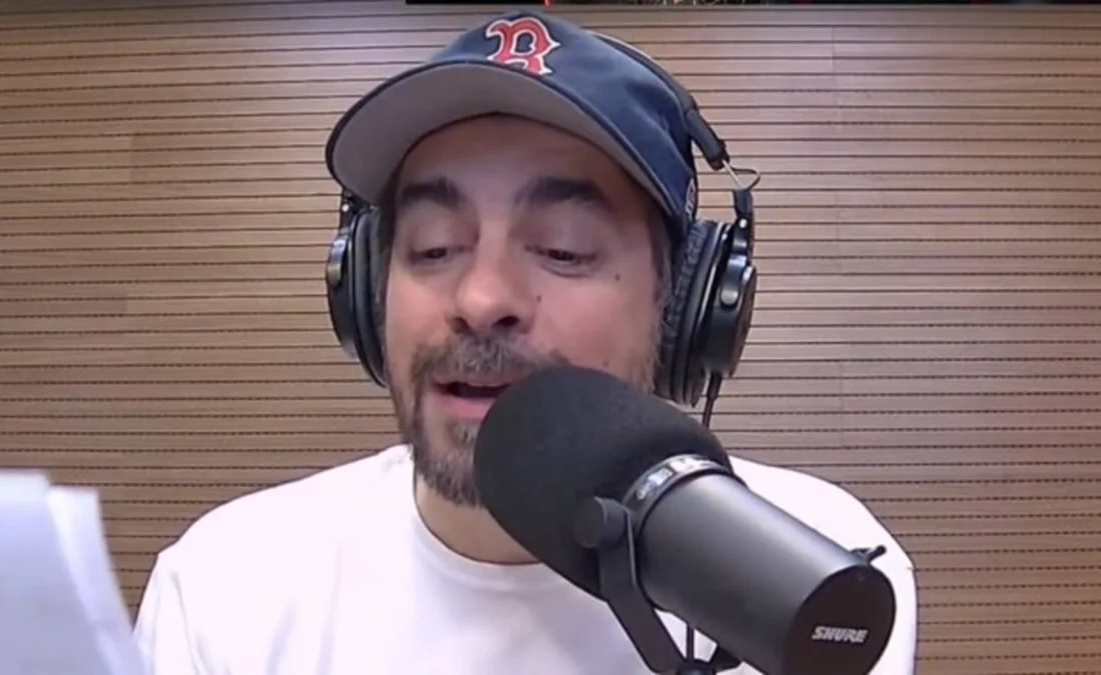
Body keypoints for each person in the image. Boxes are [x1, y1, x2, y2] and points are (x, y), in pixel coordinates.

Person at [132, 10, 918, 675]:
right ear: (367, 294)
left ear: (683, 304)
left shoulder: (827, 577)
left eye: (565, 250)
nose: (482, 300)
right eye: (434, 247)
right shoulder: (223, 590)